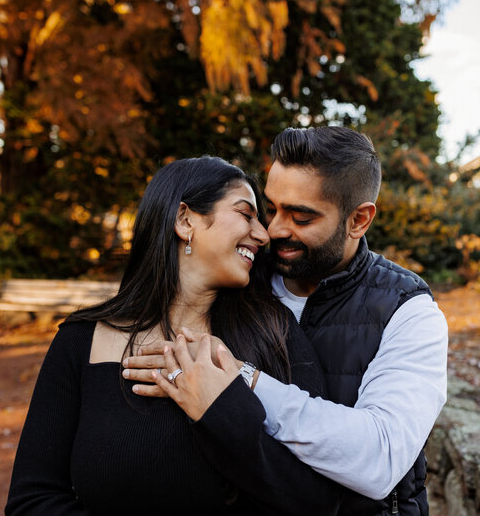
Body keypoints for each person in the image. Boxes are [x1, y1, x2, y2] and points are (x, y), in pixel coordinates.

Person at [5, 156, 357, 515]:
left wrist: (219, 409)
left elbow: (319, 502)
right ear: (184, 219)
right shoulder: (80, 341)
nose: (264, 235)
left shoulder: (276, 334)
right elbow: (32, 500)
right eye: (246, 214)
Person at [124, 127, 449, 515]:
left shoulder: (408, 311)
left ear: (358, 220)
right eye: (271, 208)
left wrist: (239, 381)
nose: (273, 229)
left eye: (301, 216)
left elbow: (380, 459)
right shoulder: (240, 280)